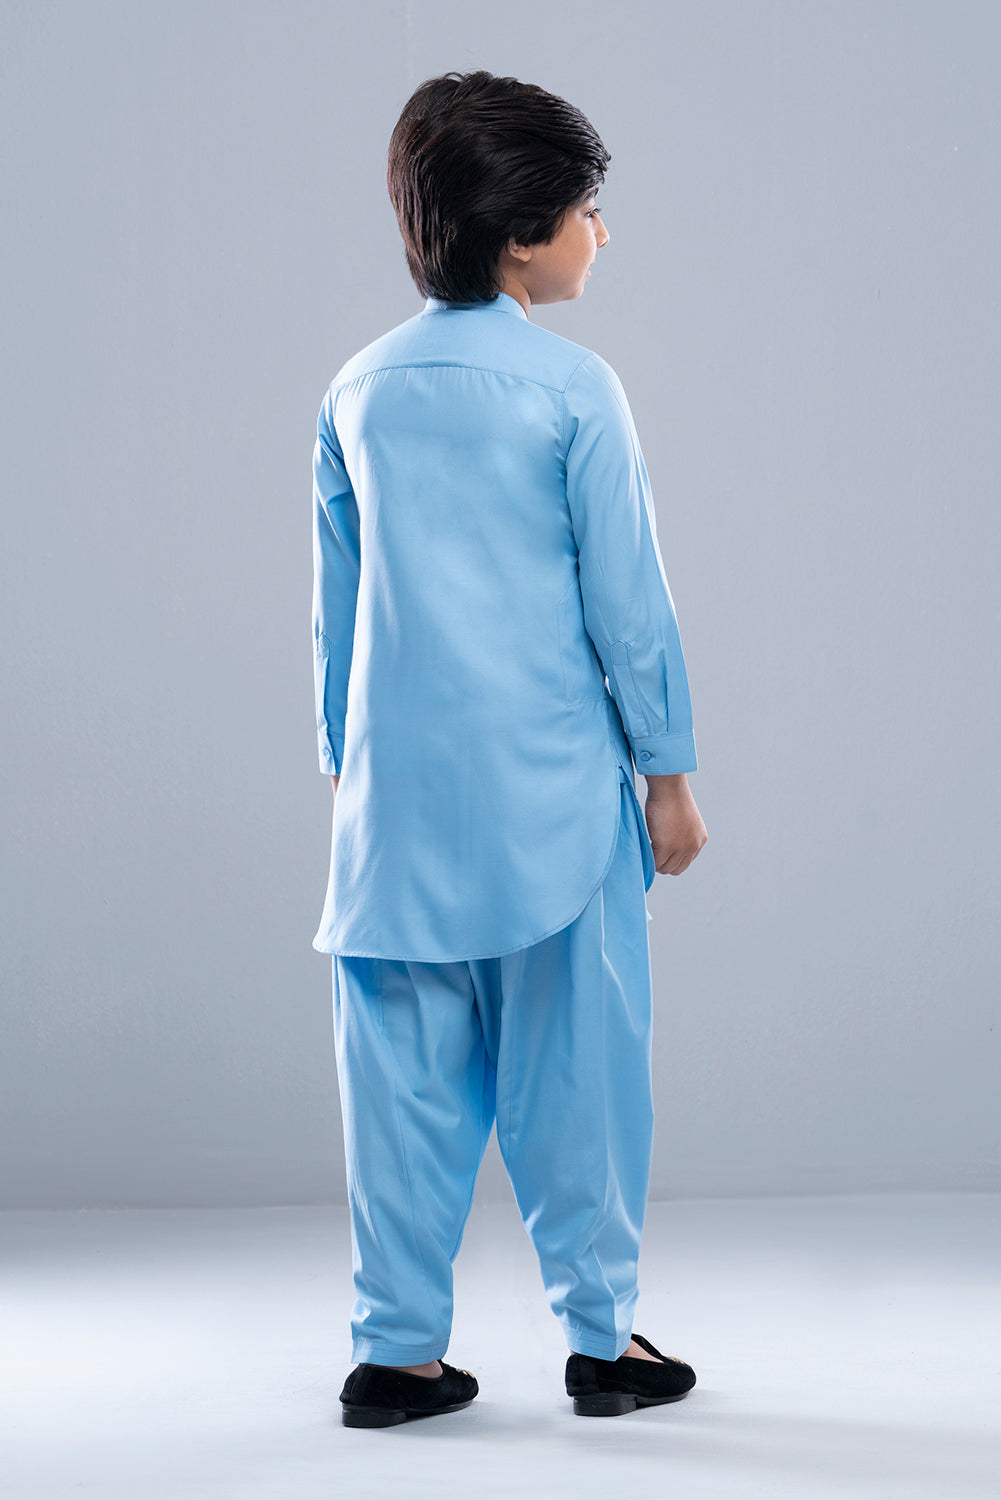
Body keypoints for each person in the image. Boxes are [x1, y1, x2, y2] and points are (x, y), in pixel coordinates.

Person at [310, 69, 708, 1427]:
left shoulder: (356, 389)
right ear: (524, 235)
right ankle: (602, 1342)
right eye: (589, 209)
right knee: (578, 1071)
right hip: (551, 800)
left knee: (400, 1086)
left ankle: (394, 1355)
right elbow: (628, 607)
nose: (603, 232)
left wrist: (346, 766)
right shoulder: (576, 389)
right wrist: (667, 774)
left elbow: (338, 609)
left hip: (394, 814)